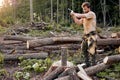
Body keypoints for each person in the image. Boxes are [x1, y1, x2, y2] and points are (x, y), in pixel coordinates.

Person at [70, 2, 97, 67]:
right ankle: (87, 63)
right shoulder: (84, 16)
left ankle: (93, 65)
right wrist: (73, 16)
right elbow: (78, 22)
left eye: (85, 9)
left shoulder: (91, 14)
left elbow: (81, 15)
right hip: (86, 35)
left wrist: (74, 13)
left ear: (88, 8)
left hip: (92, 34)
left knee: (92, 50)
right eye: (83, 9)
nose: (84, 10)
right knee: (83, 48)